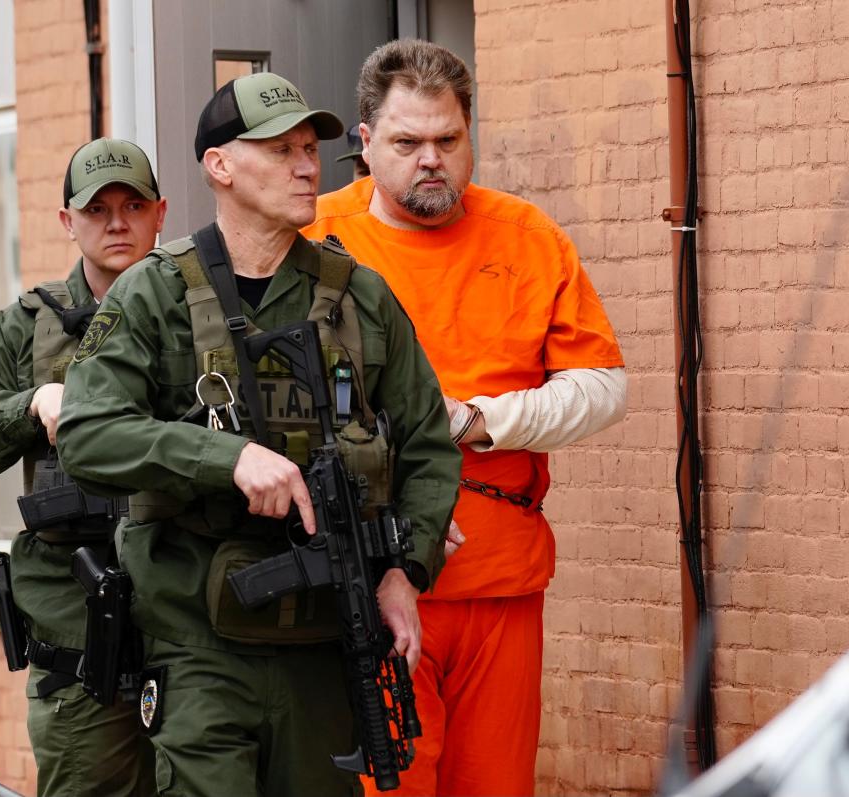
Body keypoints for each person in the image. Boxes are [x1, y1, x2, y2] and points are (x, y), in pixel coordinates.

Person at [55, 71, 460, 797]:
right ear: (221, 166)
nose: (308, 166)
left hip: (326, 643)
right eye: (281, 150)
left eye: (310, 148)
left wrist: (408, 569)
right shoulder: (156, 291)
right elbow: (86, 432)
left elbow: (429, 443)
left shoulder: (358, 295)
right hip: (200, 646)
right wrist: (226, 455)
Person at [304, 39, 628, 797]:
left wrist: (483, 419)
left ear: (470, 132)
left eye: (448, 141)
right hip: (367, 576)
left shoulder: (527, 236)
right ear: (364, 142)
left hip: (498, 581)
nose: (431, 160)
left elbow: (604, 388)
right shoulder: (314, 239)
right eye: (407, 142)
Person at [0, 138, 166, 796]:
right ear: (68, 222)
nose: (117, 222)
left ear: (161, 213)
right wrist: (30, 402)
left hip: (189, 627)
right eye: (97, 209)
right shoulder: (29, 326)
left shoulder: (200, 315)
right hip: (81, 635)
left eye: (132, 205)